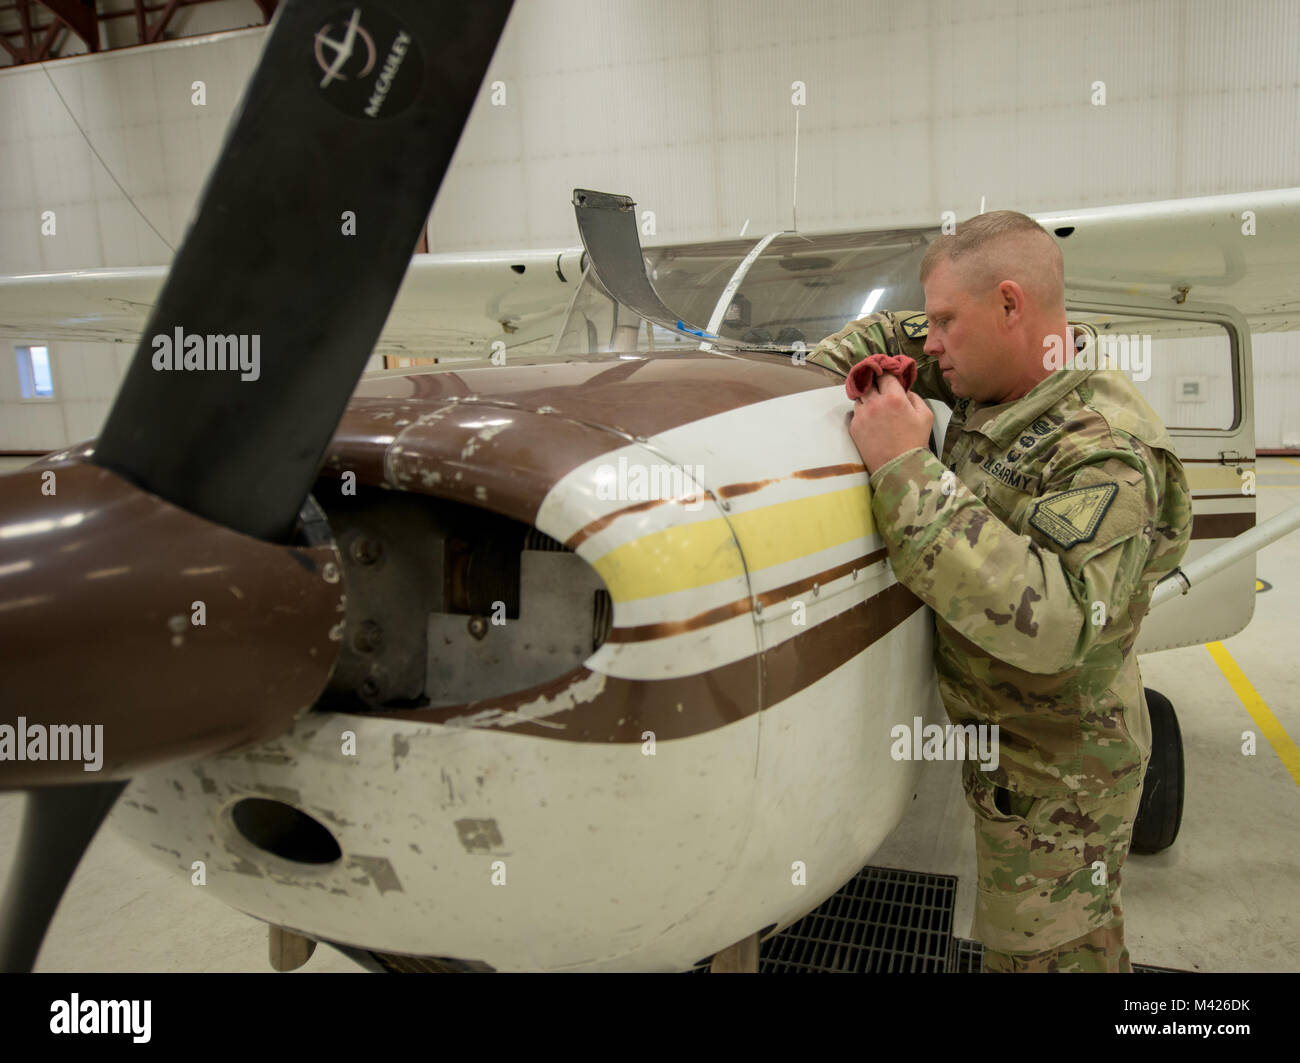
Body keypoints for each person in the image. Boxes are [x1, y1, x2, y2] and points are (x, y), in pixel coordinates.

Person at [808, 211, 1192, 972]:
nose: (932, 341)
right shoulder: (1002, 366)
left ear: (1011, 306)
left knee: (1048, 958)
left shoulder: (1102, 448)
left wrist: (903, 469)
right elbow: (890, 330)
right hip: (1007, 756)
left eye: (947, 321)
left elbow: (1055, 622)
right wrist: (814, 372)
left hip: (1064, 782)